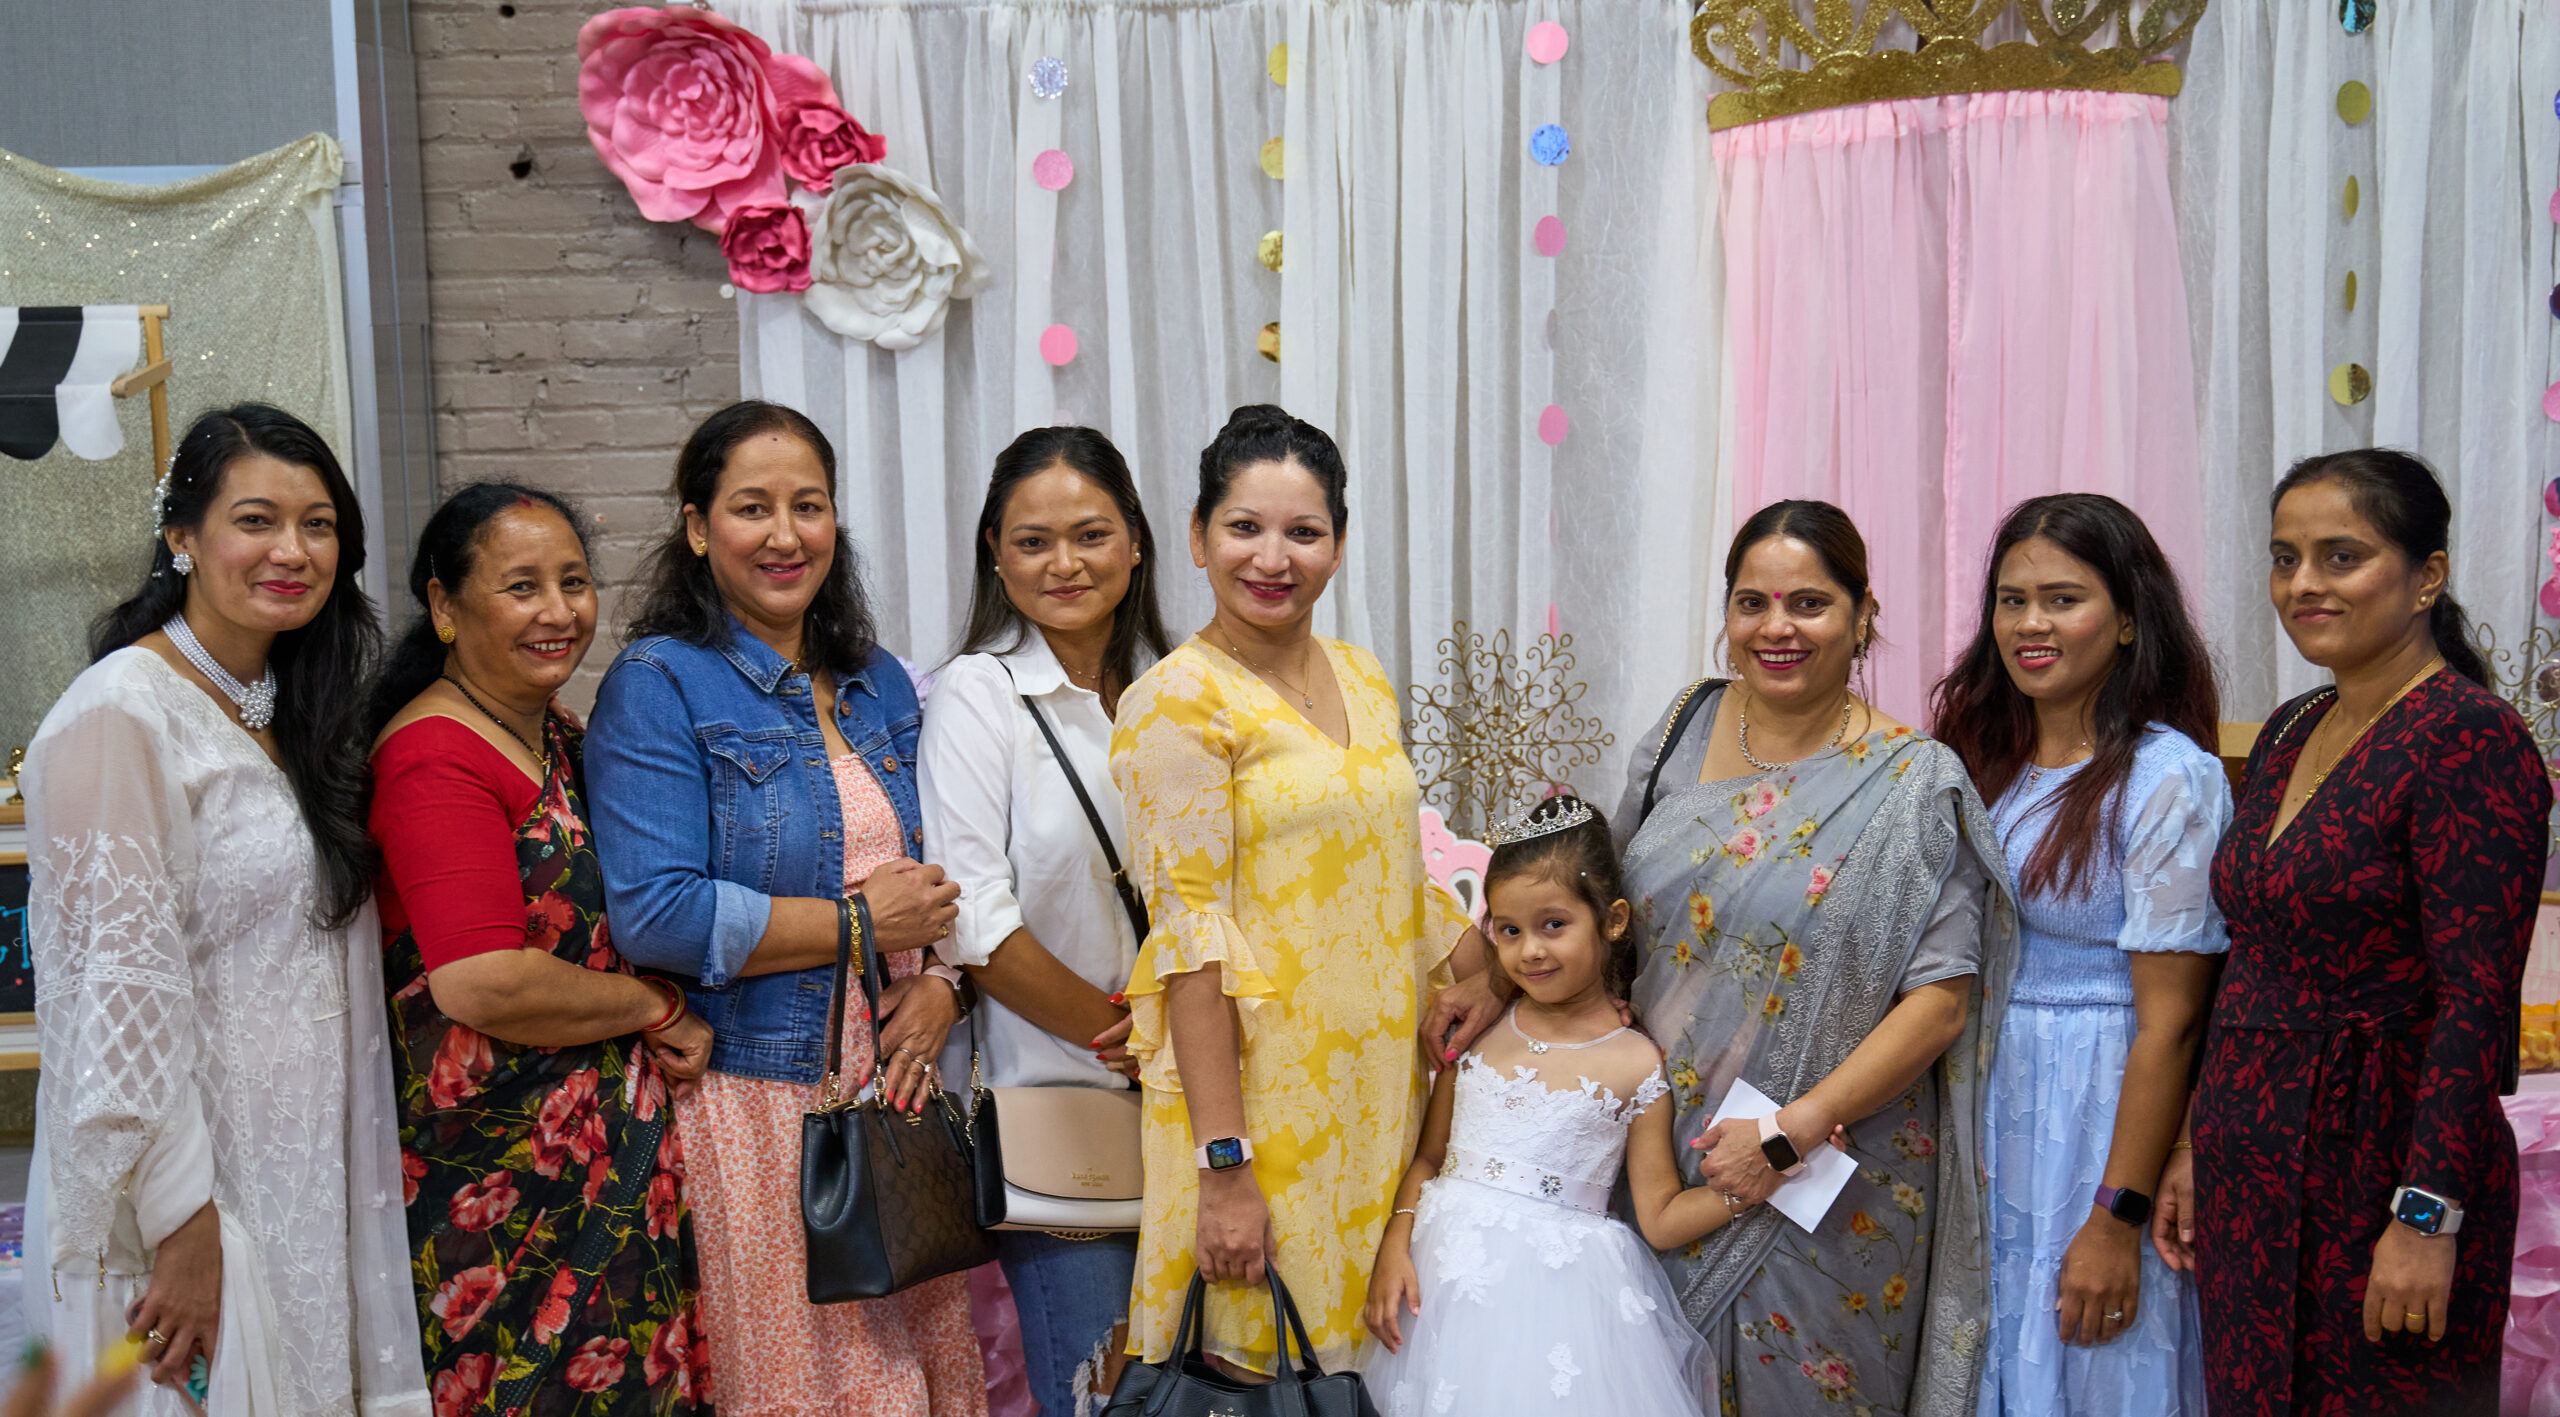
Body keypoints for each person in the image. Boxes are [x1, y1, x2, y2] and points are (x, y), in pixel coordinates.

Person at [19, 404, 427, 1415]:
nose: (292, 550)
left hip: (299, 1173)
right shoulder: (120, 710)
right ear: (183, 538)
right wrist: (180, 1221)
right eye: (256, 520)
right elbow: (113, 990)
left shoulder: (292, 708)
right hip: (194, 1204)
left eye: (318, 524)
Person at [587, 401, 981, 1417]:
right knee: (813, 1390)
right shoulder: (658, 684)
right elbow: (656, 914)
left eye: (808, 505)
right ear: (696, 526)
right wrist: (858, 926)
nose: (785, 534)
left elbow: (941, 873)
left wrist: (945, 985)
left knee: (919, 1384)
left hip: (898, 1096)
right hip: (763, 1098)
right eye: (751, 507)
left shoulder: (878, 681)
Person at [1111, 404, 1497, 1377]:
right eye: (1244, 526)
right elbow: (1191, 947)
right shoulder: (1175, 701)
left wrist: (1496, 976)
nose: (1272, 557)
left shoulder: (1361, 676)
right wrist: (1224, 1170)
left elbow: (1396, 881)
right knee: (1258, 1375)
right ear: (1197, 536)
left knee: (1367, 1375)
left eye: (1303, 531)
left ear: (1339, 543)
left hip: (1378, 1099)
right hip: (1255, 1115)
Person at [1613, 499, 2016, 1417]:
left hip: (1827, 1171)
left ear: (1863, 614)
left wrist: (1792, 1131)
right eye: (1752, 603)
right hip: (1661, 1154)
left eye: (1809, 603)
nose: (1777, 628)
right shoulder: (1683, 727)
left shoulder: (1914, 782)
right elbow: (1607, 907)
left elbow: (1941, 1002)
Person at [2188, 450, 2549, 1417]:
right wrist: (2191, 1142)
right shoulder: (2291, 727)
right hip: (2250, 1163)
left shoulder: (2469, 737)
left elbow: (2476, 1002)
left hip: (2385, 1165)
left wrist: (2428, 1216)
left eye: (2341, 556)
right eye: (2285, 558)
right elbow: (2247, 957)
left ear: (2427, 576)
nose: (2303, 583)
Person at [367, 483, 714, 1415]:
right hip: (500, 1181)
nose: (559, 611)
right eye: (522, 586)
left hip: (600, 1160)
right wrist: (655, 1006)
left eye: (574, 581)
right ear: (444, 604)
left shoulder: (553, 731)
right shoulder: (434, 756)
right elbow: (483, 981)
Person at [1363, 795, 1846, 1416]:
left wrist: (1771, 1170)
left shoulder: (1636, 1062)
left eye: (1553, 925)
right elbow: (1430, 1158)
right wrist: (1395, 1246)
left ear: (1612, 921)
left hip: (1560, 1305)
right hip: (1438, 1283)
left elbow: (1661, 1216)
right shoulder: (1480, 1030)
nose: (1530, 951)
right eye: (1509, 931)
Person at [1929, 494, 2225, 1416]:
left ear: (2129, 618)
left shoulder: (2169, 776)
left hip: (2097, 1103)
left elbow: (2173, 1023)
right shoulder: (1981, 762)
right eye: (2012, 600)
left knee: (2090, 1358)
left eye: (2063, 599)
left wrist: (2115, 1217)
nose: (2031, 624)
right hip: (1984, 1094)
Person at [918, 427, 1170, 1413]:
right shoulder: (979, 695)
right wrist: (1136, 1038)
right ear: (994, 551)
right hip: (1064, 1110)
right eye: (1032, 541)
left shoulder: (1178, 688)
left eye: (1090, 534)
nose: (1063, 563)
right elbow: (975, 926)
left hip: (1204, 1110)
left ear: (1137, 541)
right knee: (1101, 1392)